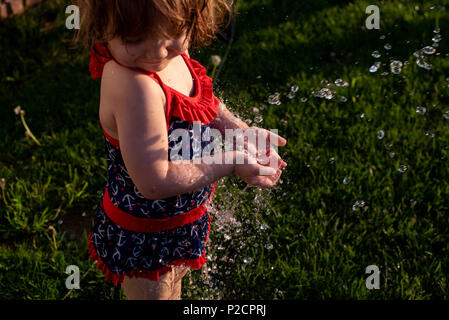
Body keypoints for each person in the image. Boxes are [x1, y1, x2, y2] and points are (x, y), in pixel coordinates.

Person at [75, 0, 287, 300]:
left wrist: (240, 132)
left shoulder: (172, 55)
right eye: (135, 40)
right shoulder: (134, 85)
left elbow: (201, 103)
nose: (157, 51)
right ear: (103, 26)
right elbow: (154, 181)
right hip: (147, 237)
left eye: (173, 31)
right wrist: (231, 161)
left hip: (181, 220)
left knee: (174, 291)